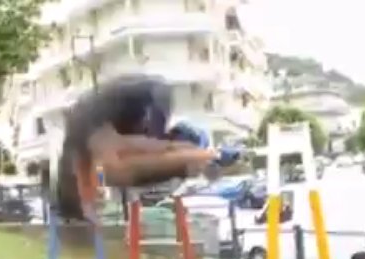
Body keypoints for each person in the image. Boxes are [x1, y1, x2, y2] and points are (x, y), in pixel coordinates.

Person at [55, 74, 232, 221]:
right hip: (122, 106)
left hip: (129, 103)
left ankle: (80, 209)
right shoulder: (98, 131)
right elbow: (122, 154)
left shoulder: (101, 129)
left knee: (113, 163)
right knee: (111, 164)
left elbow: (129, 150)